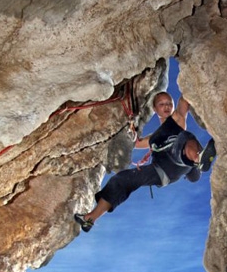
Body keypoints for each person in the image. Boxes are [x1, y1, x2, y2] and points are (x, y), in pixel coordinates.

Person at [74, 91, 216, 232]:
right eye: (162, 104)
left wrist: (190, 81)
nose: (167, 106)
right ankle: (90, 219)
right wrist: (130, 128)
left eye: (169, 104)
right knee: (121, 179)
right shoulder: (153, 138)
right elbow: (135, 143)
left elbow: (185, 100)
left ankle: (198, 160)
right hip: (161, 171)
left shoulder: (177, 119)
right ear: (155, 109)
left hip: (181, 160)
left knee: (184, 136)